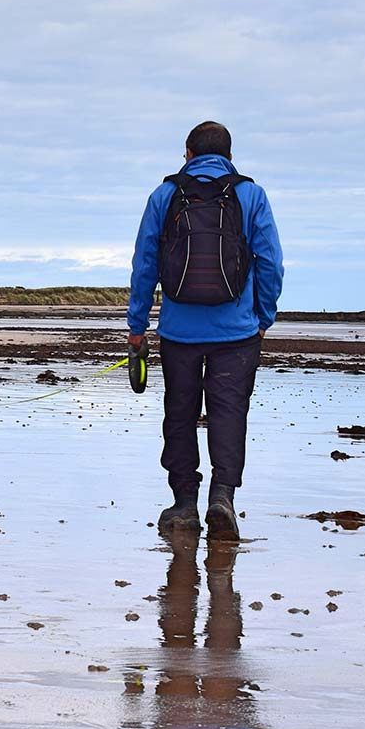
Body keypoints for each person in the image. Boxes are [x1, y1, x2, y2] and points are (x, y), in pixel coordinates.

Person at [127, 122, 284, 540]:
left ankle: (183, 504)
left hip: (179, 333)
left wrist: (137, 326)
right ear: (229, 156)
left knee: (179, 414)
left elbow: (144, 264)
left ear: (188, 153)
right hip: (237, 333)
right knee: (229, 415)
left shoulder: (164, 195)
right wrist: (263, 317)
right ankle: (223, 497)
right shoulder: (250, 195)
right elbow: (270, 262)